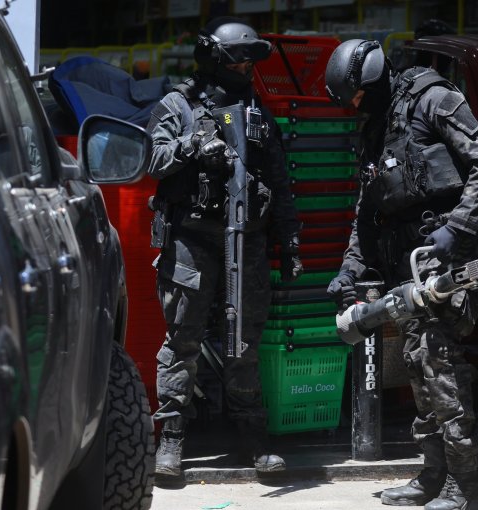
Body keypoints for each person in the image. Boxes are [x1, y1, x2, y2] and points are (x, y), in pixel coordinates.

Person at [325, 39, 478, 509]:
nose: (356, 108)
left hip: (452, 259)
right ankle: (434, 471)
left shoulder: (435, 100)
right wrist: (349, 269)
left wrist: (457, 227)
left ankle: (465, 480)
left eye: (358, 97)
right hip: (408, 265)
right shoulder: (377, 127)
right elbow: (368, 207)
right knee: (416, 363)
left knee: (437, 361)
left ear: (373, 81)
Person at [146, 16, 303, 478]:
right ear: (215, 60)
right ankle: (171, 440)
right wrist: (194, 145)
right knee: (182, 340)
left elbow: (278, 178)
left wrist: (290, 240)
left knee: (244, 343)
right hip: (193, 240)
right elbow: (152, 159)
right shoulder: (179, 104)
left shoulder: (255, 110)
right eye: (238, 61)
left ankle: (253, 440)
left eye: (249, 63)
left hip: (247, 240)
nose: (245, 71)